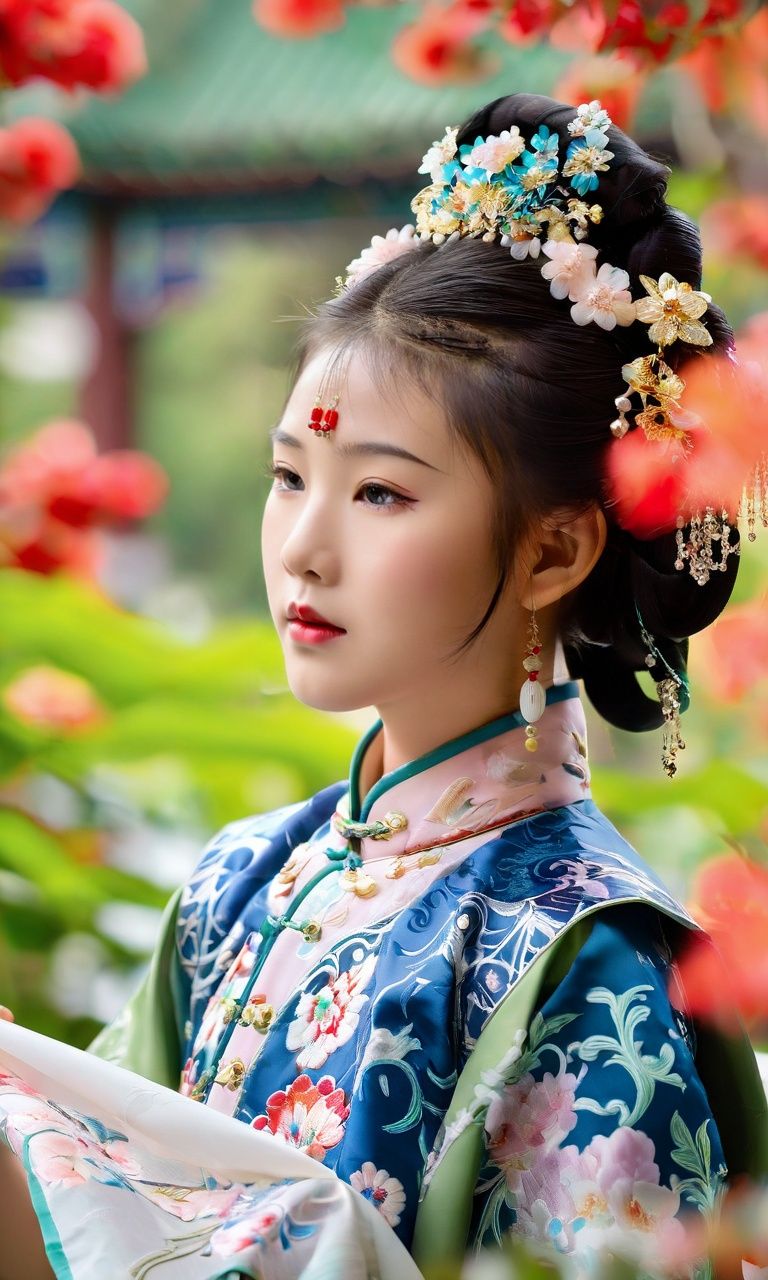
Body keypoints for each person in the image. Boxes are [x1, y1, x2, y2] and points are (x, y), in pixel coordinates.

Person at [1, 92, 767, 1280]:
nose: (304, 545)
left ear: (554, 549)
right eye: (287, 473)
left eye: (380, 493)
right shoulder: (232, 890)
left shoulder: (589, 968)